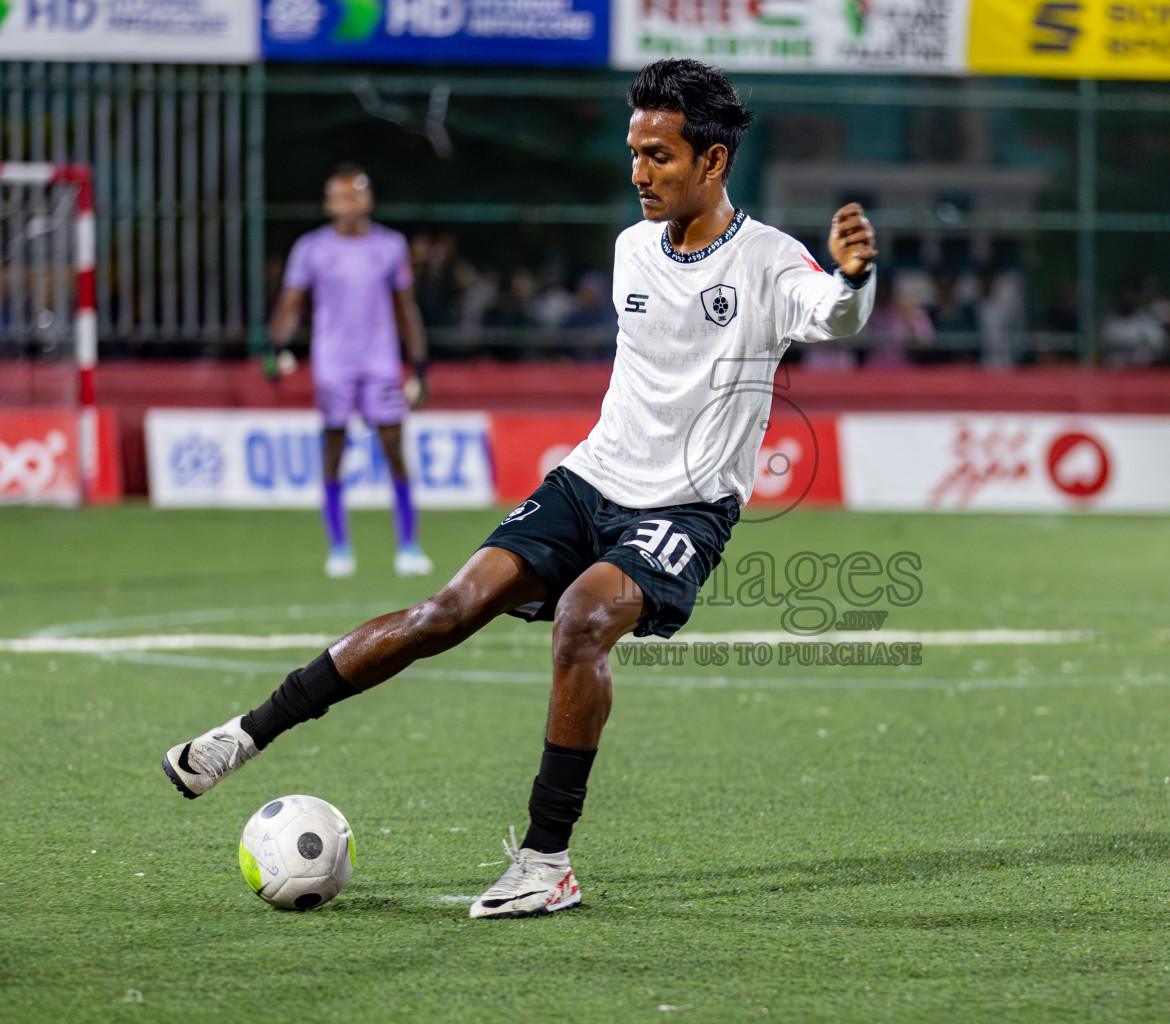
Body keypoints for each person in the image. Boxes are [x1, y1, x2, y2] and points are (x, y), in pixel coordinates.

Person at [161, 59, 877, 920]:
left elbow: (830, 314)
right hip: (588, 479)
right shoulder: (631, 249)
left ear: (714, 162)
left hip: (686, 506)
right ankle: (242, 738)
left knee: (583, 619)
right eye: (633, 152)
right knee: (443, 613)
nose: (639, 171)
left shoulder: (767, 260)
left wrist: (852, 280)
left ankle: (545, 864)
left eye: (659, 155)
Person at [269, 166, 432, 579]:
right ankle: (339, 546)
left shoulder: (390, 245)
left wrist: (418, 363)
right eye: (338, 197)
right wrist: (275, 347)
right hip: (333, 365)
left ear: (368, 199)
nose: (347, 204)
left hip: (380, 362)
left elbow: (404, 307)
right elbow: (292, 302)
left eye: (354, 195)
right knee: (333, 452)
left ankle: (409, 545)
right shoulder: (311, 249)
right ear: (327, 204)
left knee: (394, 449)